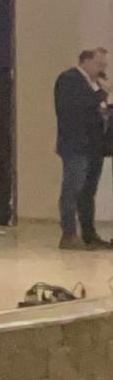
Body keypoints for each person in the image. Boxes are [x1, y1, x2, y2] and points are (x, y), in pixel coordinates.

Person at [53, 48, 111, 250]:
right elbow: (76, 108)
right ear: (85, 61)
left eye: (104, 65)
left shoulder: (95, 84)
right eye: (98, 64)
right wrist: (103, 93)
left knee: (88, 192)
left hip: (94, 146)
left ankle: (89, 235)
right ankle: (68, 234)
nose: (101, 69)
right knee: (72, 189)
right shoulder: (69, 79)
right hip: (76, 146)